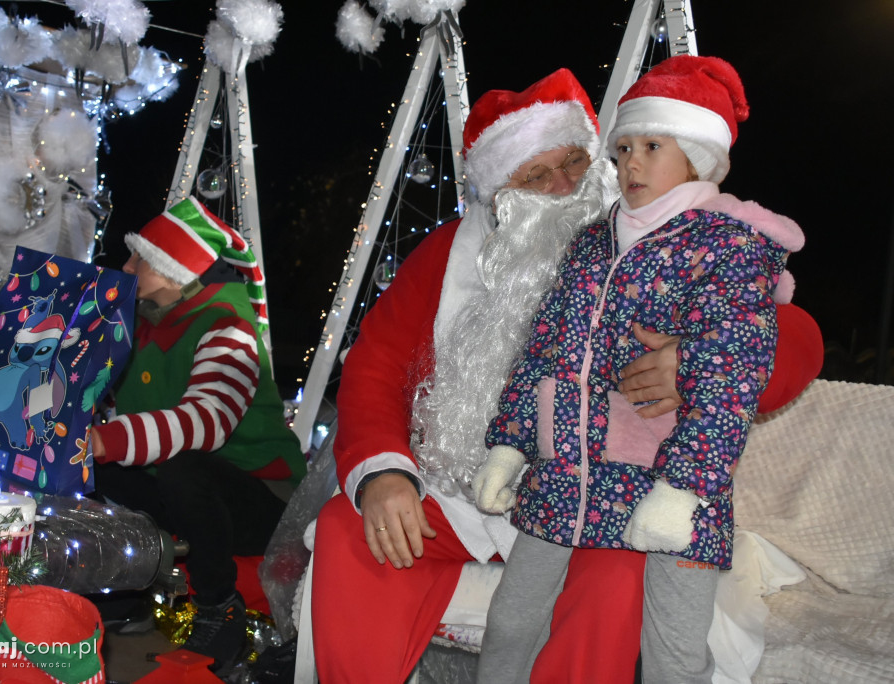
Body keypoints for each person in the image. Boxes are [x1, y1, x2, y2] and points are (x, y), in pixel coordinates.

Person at [309, 67, 822, 683]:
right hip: (468, 489)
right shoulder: (448, 251)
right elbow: (375, 363)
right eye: (535, 174)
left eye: (577, 162)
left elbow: (791, 334)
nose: (564, 186)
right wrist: (384, 471)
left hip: (608, 488)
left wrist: (688, 360)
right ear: (499, 190)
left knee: (616, 575)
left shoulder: (664, 225)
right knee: (348, 527)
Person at [473, 56, 806, 683]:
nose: (631, 163)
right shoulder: (593, 244)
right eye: (623, 147)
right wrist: (509, 447)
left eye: (652, 145)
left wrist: (683, 488)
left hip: (678, 482)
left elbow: (734, 373)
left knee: (673, 649)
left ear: (697, 156)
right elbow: (546, 348)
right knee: (512, 621)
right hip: (566, 472)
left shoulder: (726, 244)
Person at [87, 197, 306, 672]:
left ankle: (218, 607)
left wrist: (109, 439)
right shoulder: (140, 326)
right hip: (183, 488)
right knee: (95, 472)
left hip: (263, 501)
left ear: (171, 272)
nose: (125, 267)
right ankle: (125, 593)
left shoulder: (229, 331)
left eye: (138, 258)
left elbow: (206, 421)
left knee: (183, 466)